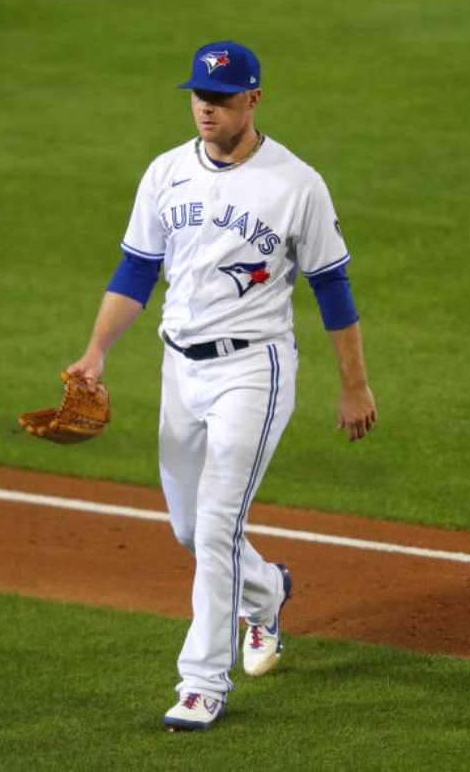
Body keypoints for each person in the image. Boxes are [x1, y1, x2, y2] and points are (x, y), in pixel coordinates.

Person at [67, 39, 377, 731]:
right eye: (199, 96)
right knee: (191, 528)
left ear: (254, 98)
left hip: (252, 371)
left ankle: (202, 683)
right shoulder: (166, 172)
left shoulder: (296, 184)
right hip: (180, 368)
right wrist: (95, 351)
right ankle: (267, 593)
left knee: (214, 525)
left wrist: (354, 385)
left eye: (222, 97)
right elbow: (136, 271)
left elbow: (332, 288)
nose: (206, 108)